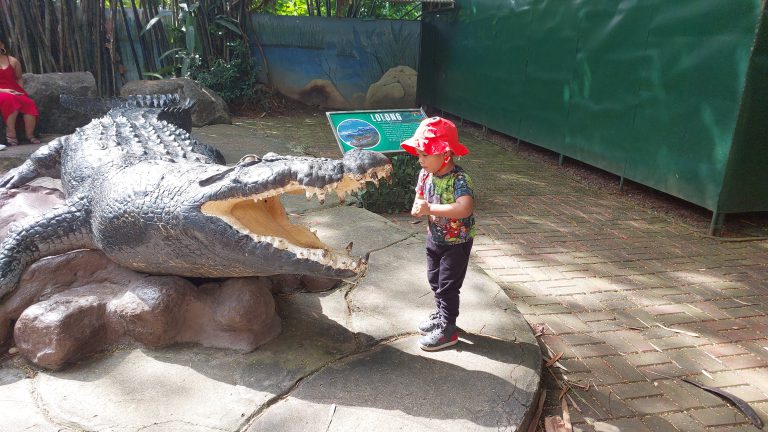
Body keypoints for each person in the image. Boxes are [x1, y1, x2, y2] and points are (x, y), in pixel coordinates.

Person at [401, 116, 476, 351]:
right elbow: (420, 194)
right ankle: (440, 314)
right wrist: (418, 204)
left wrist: (430, 208)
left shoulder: (459, 179)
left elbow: (465, 207)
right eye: (419, 154)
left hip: (456, 242)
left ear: (445, 154)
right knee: (434, 279)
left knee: (448, 285)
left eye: (425, 154)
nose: (420, 160)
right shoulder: (426, 174)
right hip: (434, 237)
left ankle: (448, 328)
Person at [0, 34, 40, 151]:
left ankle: (30, 135)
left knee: (28, 102)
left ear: (2, 45)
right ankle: (11, 133)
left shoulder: (13, 61)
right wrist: (4, 90)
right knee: (10, 100)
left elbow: (19, 77)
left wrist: (19, 90)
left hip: (14, 91)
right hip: (1, 92)